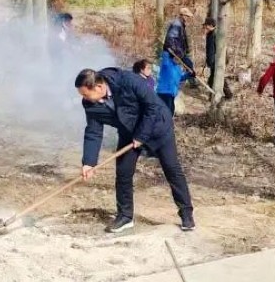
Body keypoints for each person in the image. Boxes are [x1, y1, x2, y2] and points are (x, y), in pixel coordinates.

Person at [75, 67, 194, 233]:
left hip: (157, 127)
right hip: (128, 133)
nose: (84, 98)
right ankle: (125, 216)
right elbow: (93, 132)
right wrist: (89, 162)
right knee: (123, 172)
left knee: (172, 169)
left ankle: (187, 214)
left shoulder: (128, 81)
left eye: (86, 94)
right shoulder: (90, 104)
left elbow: (152, 107)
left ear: (99, 87)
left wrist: (141, 135)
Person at [155, 50, 190, 116]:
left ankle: (168, 122)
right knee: (165, 113)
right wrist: (166, 50)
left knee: (171, 112)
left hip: (172, 93)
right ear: (173, 56)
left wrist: (189, 75)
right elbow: (165, 55)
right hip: (163, 92)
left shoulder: (178, 68)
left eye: (180, 58)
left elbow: (180, 78)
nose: (178, 60)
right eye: (176, 57)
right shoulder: (166, 63)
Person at [163, 7, 195, 74]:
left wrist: (186, 50)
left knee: (189, 65)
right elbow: (171, 40)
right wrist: (179, 54)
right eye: (187, 16)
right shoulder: (176, 24)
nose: (188, 18)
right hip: (173, 53)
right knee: (172, 72)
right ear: (183, 16)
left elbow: (182, 40)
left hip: (179, 52)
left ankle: (190, 77)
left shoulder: (181, 25)